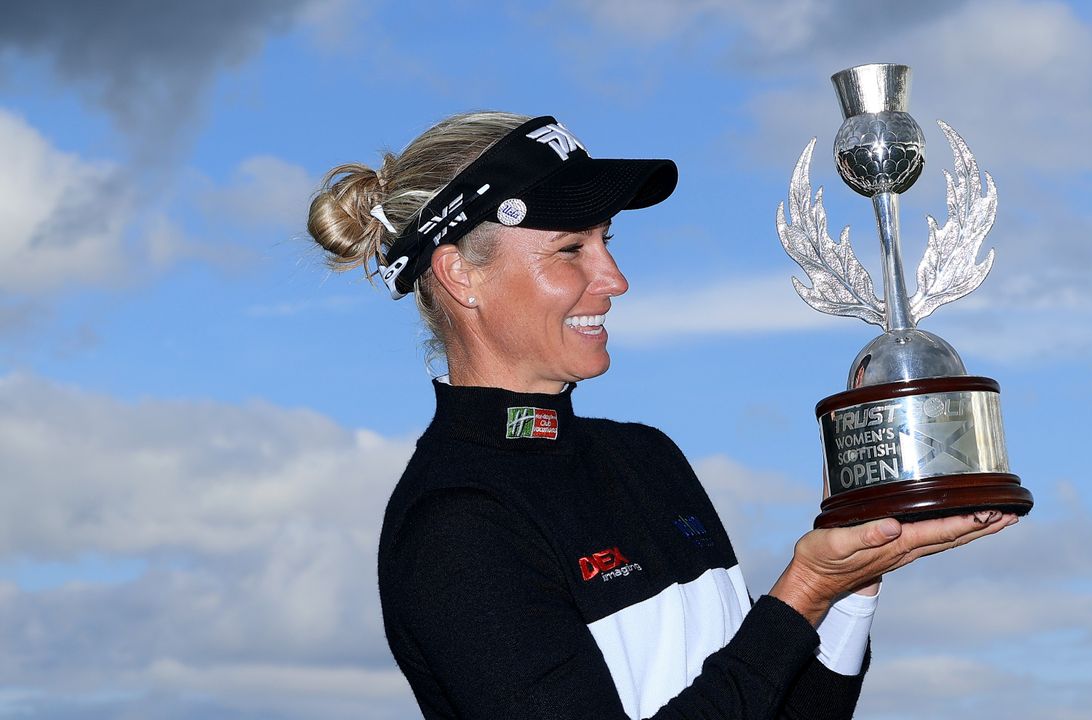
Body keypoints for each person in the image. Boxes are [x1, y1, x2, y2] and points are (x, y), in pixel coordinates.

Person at [306, 111, 1017, 720]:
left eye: (607, 240)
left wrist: (853, 575)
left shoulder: (646, 457)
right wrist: (802, 593)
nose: (613, 279)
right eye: (571, 249)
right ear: (461, 273)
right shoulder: (456, 522)